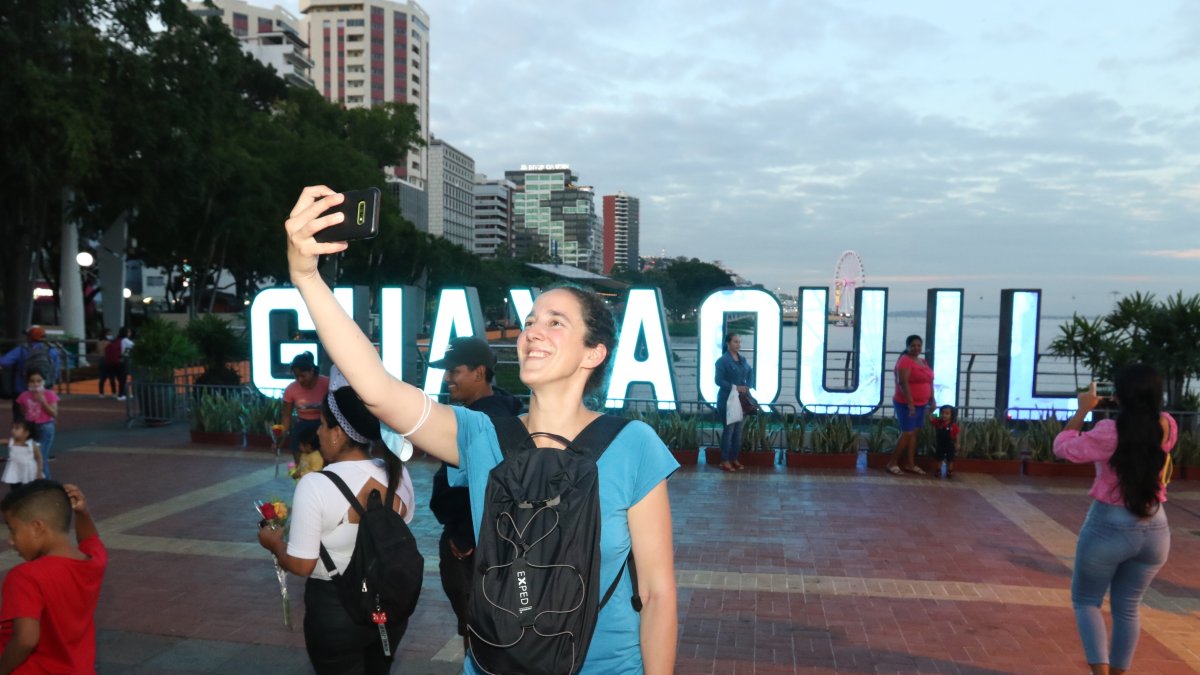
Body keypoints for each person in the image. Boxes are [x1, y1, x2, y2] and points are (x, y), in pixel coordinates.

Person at [282, 185, 679, 675]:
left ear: (593, 353)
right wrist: (306, 277)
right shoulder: (481, 435)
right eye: (531, 320)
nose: (533, 330)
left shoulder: (632, 445)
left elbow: (657, 594)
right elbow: (379, 390)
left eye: (556, 322)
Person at [257, 366, 415, 674]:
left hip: (336, 611)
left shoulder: (316, 485)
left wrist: (274, 544)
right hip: (388, 609)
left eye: (323, 425)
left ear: (338, 433)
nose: (316, 432)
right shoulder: (398, 473)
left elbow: (302, 564)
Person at [1053, 365, 1177, 675]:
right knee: (1129, 607)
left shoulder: (1109, 432)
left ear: (1119, 395)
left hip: (1108, 525)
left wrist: (1083, 410)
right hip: (1156, 528)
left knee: (1086, 601)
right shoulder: (1168, 425)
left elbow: (1063, 448)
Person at [428, 336, 523, 650]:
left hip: (474, 550)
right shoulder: (503, 410)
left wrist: (465, 539)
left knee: (479, 635)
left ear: (479, 373)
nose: (447, 378)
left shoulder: (483, 421)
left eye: (454, 371)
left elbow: (493, 485)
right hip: (493, 544)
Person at [0, 481, 107, 672]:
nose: (11, 540)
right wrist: (83, 512)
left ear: (37, 527)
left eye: (13, 529)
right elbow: (91, 540)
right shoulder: (93, 563)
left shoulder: (26, 576)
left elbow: (26, 640)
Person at [887, 334, 936, 476]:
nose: (916, 348)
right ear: (907, 347)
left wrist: (932, 399)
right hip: (906, 404)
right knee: (907, 432)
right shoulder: (905, 361)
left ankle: (910, 463)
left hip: (922, 403)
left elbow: (929, 381)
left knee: (914, 432)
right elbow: (903, 383)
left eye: (919, 345)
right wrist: (910, 403)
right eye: (913, 345)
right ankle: (892, 463)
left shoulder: (923, 361)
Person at [277, 352, 330, 465]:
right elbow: (286, 415)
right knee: (296, 443)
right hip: (302, 423)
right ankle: (300, 471)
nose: (300, 380)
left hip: (322, 423)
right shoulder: (291, 389)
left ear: (311, 370)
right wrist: (283, 434)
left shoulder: (327, 384)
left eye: (303, 376)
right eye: (296, 376)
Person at [1, 327, 62, 418]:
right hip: (44, 391)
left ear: (30, 337)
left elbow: (3, 362)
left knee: (20, 420)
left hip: (22, 390)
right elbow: (56, 372)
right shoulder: (52, 351)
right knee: (43, 418)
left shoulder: (22, 350)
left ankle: (23, 430)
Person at [715, 332, 753, 472]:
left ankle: (734, 458)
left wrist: (747, 386)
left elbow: (750, 372)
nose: (738, 344)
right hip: (727, 400)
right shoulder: (722, 361)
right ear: (728, 343)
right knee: (729, 430)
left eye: (739, 342)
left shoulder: (742, 359)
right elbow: (718, 380)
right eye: (735, 342)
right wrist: (734, 387)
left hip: (741, 400)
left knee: (738, 431)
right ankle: (724, 460)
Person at [15, 371, 58, 479]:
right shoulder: (23, 396)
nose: (35, 384)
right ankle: (38, 483)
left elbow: (54, 413)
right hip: (30, 428)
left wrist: (43, 401)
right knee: (32, 456)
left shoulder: (49, 394)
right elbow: (23, 411)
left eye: (38, 381)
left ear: (43, 382)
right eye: (32, 381)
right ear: (27, 383)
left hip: (45, 427)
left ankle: (47, 485)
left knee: (40, 457)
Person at [2, 420, 42, 489]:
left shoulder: (32, 445)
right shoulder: (11, 442)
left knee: (29, 488)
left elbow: (38, 458)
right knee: (15, 487)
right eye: (12, 428)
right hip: (14, 469)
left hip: (28, 470)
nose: (13, 430)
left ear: (26, 433)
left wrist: (39, 472)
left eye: (16, 428)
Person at [101, 327, 132, 399]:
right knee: (123, 379)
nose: (130, 333)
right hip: (122, 360)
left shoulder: (115, 340)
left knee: (119, 378)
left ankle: (122, 393)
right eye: (128, 332)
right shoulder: (125, 340)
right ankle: (121, 395)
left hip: (113, 361)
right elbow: (133, 346)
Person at [930, 405, 960, 479]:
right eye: (942, 413)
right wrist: (936, 410)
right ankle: (938, 470)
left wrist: (957, 443)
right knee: (939, 457)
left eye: (947, 414)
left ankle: (950, 471)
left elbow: (957, 434)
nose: (944, 415)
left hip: (950, 444)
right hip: (940, 444)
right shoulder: (938, 423)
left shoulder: (953, 425)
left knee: (950, 458)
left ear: (951, 415)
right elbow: (931, 418)